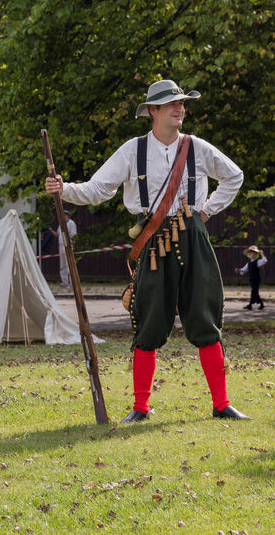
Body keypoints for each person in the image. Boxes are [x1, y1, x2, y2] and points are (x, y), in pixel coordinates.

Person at [45, 79, 248, 422]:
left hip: (193, 238)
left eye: (182, 103)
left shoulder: (197, 147)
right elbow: (98, 189)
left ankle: (221, 403)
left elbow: (234, 176)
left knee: (204, 317)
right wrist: (64, 189)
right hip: (153, 241)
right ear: (153, 110)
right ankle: (140, 407)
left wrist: (206, 211)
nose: (180, 108)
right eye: (172, 104)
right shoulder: (132, 150)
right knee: (149, 320)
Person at [49, 209, 77, 287]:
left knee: (69, 264)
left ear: (67, 216)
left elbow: (73, 235)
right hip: (61, 245)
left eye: (63, 215)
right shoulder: (61, 224)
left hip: (68, 245)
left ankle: (72, 282)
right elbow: (58, 234)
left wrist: (71, 244)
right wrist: (50, 230)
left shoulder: (71, 223)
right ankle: (64, 282)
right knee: (63, 265)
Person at [236, 245, 266, 310]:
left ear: (256, 254)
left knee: (254, 291)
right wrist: (239, 270)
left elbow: (264, 261)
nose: (252, 254)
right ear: (249, 254)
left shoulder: (258, 261)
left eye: (254, 253)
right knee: (255, 292)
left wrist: (262, 254)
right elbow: (244, 270)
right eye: (251, 253)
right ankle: (261, 304)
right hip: (251, 279)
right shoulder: (248, 263)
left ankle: (250, 305)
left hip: (257, 279)